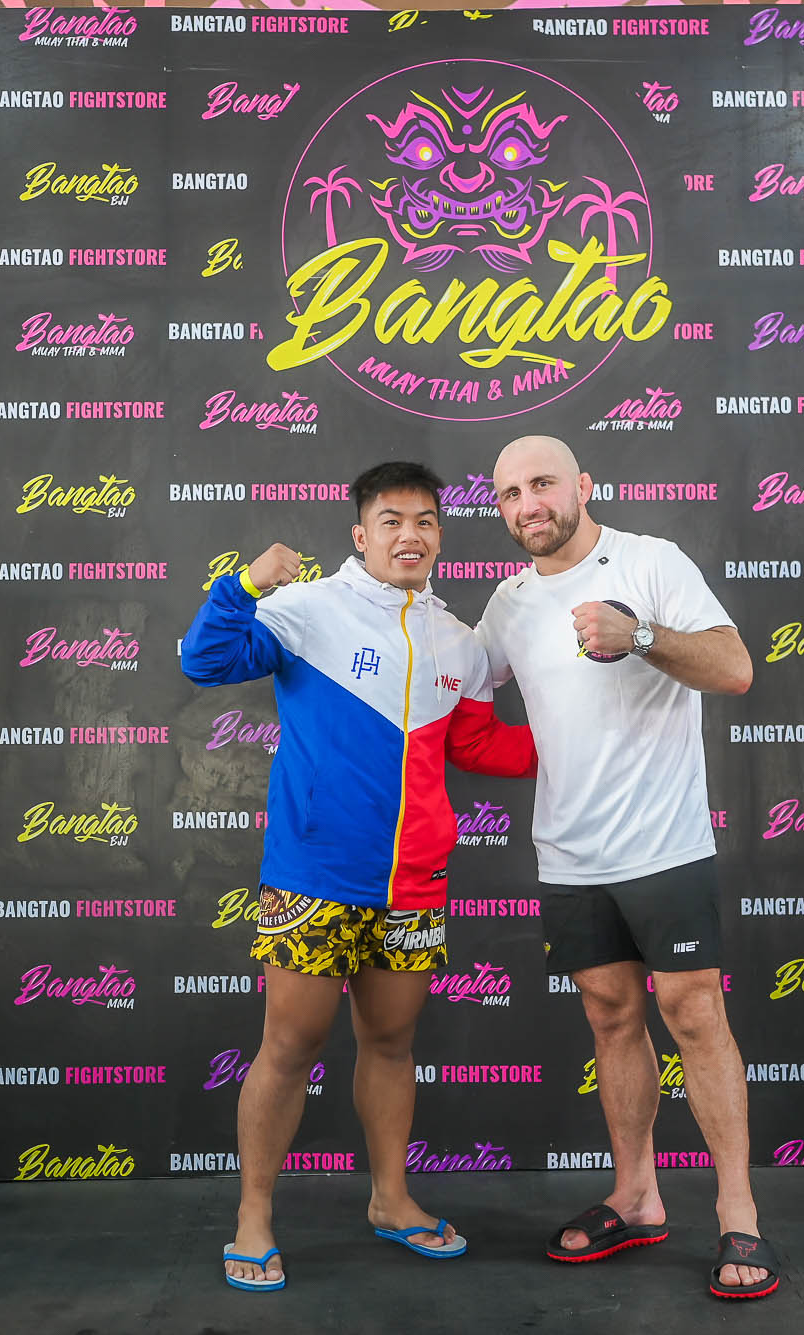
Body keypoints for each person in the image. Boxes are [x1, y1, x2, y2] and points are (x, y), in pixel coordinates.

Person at [180, 460, 536, 1292]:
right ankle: (253, 1215)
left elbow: (479, 744)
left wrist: (584, 741)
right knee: (288, 1045)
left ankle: (391, 1197)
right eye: (391, 521)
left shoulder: (457, 639)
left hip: (414, 883)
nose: (410, 535)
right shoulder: (309, 608)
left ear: (440, 535)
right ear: (360, 534)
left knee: (391, 1043)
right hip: (316, 875)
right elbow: (205, 659)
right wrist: (243, 584)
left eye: (425, 521)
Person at [476, 434, 779, 1301]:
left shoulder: (651, 561)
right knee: (611, 1017)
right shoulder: (509, 602)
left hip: (664, 844)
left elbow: (735, 668)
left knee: (695, 1015)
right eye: (509, 494)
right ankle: (637, 1195)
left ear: (582, 484)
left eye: (542, 484)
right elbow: (454, 684)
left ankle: (739, 1211)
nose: (528, 505)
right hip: (570, 853)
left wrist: (639, 633)